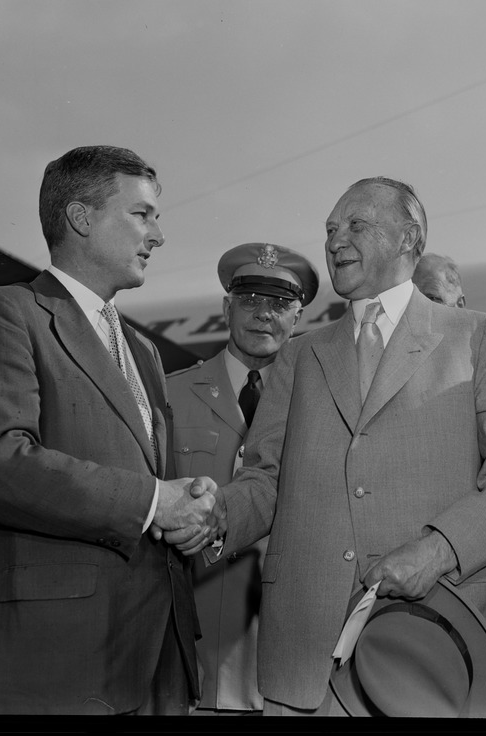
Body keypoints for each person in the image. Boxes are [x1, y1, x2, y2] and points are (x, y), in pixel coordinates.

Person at [168, 176, 486, 716]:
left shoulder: (478, 337)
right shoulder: (299, 357)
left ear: (408, 238)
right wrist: (215, 512)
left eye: (356, 225)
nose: (335, 241)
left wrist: (437, 551)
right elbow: (267, 480)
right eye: (330, 229)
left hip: (429, 643)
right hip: (304, 660)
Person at [0, 145, 217, 715]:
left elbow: (152, 488)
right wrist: (153, 502)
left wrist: (189, 512)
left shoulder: (142, 350)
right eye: (142, 215)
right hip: (51, 668)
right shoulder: (6, 314)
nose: (159, 235)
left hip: (151, 662)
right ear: (81, 217)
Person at [167, 241, 319, 714]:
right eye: (251, 301)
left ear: (298, 319)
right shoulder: (169, 394)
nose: (263, 315)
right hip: (197, 639)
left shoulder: (322, 407)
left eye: (279, 304)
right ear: (226, 308)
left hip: (289, 642)